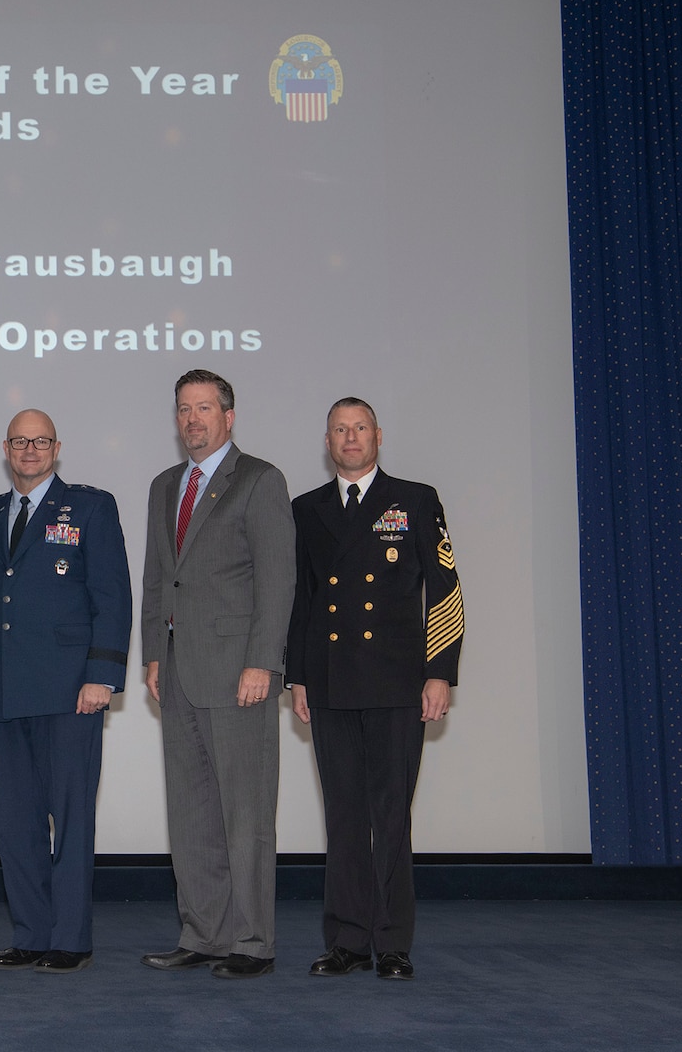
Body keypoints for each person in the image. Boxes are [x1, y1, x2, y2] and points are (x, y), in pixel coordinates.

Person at [285, 397, 463, 981]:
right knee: (342, 815)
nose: (351, 437)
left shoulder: (415, 499)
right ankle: (346, 941)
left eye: (360, 428)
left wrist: (439, 671)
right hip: (331, 682)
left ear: (378, 435)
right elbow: (303, 601)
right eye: (340, 429)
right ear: (328, 440)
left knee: (390, 816)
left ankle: (391, 943)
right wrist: (299, 676)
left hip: (395, 681)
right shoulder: (306, 509)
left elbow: (445, 589)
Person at [0, 410, 133, 974]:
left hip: (68, 691)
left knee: (71, 818)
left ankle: (69, 938)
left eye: (39, 441)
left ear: (56, 448)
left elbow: (112, 595)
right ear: (5, 447)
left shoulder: (90, 507)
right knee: (16, 823)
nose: (29, 450)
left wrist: (101, 676)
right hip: (3, 693)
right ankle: (31, 933)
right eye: (19, 441)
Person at [140, 370, 295, 979]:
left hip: (238, 674)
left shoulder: (259, 480)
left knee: (246, 815)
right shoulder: (163, 486)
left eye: (205, 408)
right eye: (183, 409)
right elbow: (158, 578)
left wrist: (263, 661)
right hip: (177, 673)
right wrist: (154, 652)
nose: (193, 420)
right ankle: (203, 933)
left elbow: (277, 579)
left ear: (229, 417)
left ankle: (253, 942)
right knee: (192, 813)